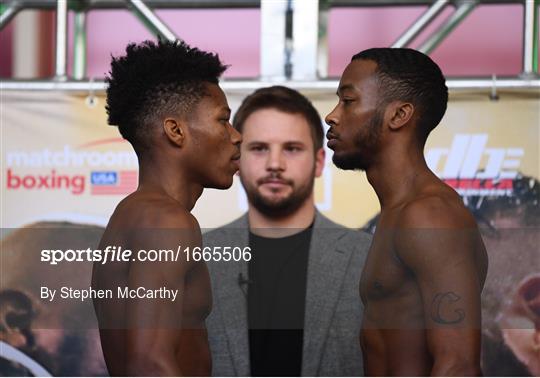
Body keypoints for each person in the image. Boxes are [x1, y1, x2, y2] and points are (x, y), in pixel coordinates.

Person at [325, 48, 488, 376]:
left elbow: (458, 365)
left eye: (348, 101)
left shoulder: (430, 215)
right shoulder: (398, 214)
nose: (332, 115)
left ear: (399, 116)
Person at [92, 39, 241, 376]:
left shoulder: (134, 215)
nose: (236, 136)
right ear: (175, 131)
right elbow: (149, 363)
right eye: (223, 120)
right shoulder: (166, 221)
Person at [204, 86, 371, 376]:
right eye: (259, 148)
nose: (275, 165)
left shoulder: (369, 257)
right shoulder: (197, 258)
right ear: (237, 159)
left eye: (292, 149)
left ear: (319, 162)